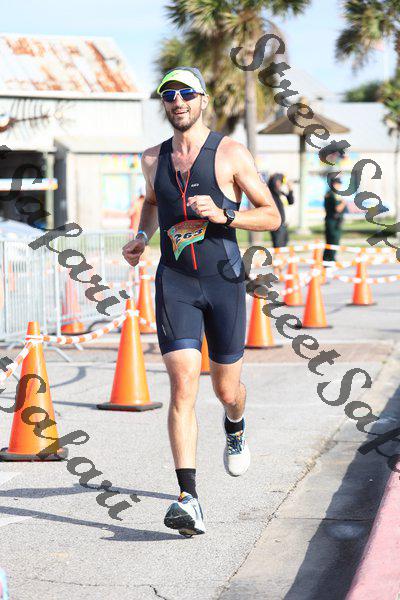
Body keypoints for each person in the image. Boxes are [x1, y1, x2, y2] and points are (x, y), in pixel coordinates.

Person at [122, 66, 281, 537]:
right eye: (169, 94)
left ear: (203, 100)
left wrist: (226, 214)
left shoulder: (230, 153)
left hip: (223, 282)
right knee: (183, 385)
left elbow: (271, 215)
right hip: (175, 282)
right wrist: (141, 237)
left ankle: (236, 424)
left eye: (186, 93)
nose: (178, 101)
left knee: (226, 390)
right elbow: (153, 202)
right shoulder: (152, 158)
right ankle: (188, 499)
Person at [322, 176, 347, 263]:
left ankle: (327, 259)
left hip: (334, 221)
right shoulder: (332, 194)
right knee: (333, 241)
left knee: (330, 241)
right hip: (333, 221)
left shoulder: (332, 193)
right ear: (334, 184)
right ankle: (330, 259)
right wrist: (343, 203)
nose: (339, 186)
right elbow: (338, 209)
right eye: (338, 184)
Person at [267, 173, 294, 248]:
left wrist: (290, 189)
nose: (278, 184)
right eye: (277, 181)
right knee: (278, 246)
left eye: (280, 182)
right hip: (277, 225)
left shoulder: (281, 193)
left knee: (284, 245)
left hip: (284, 225)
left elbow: (291, 201)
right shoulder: (271, 194)